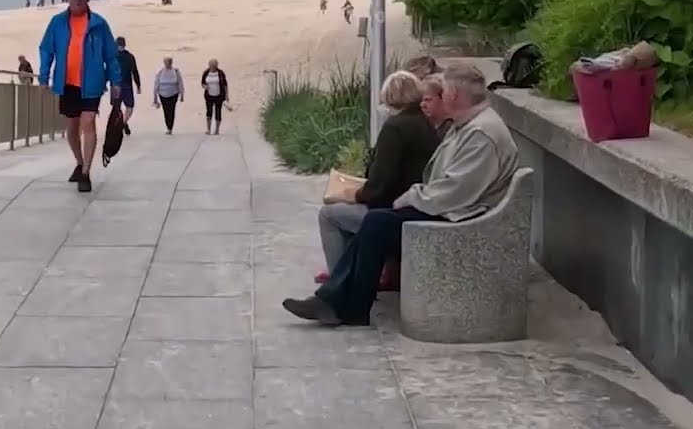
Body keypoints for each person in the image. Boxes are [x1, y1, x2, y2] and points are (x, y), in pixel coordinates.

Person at [283, 61, 519, 328]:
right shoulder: (470, 125)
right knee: (377, 221)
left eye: (442, 92)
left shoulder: (481, 133)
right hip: (459, 209)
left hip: (465, 218)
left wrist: (411, 196)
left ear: (452, 94)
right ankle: (337, 300)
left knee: (376, 222)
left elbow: (454, 191)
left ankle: (348, 307)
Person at [316, 70, 439, 277]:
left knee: (329, 215)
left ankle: (339, 279)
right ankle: (358, 271)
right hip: (415, 202)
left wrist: (354, 194)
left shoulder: (395, 127)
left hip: (393, 207)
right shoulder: (424, 122)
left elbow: (381, 181)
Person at [38, 0, 121, 192]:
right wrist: (44, 76)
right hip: (67, 84)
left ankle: (86, 173)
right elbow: (46, 49)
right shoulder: (57, 22)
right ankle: (79, 162)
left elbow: (111, 56)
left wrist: (116, 82)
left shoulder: (99, 24)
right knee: (72, 128)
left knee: (89, 122)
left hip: (92, 84)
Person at [114, 37, 142, 132]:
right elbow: (134, 71)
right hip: (127, 85)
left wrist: (103, 84)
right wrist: (138, 85)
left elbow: (108, 71)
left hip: (115, 86)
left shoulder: (112, 56)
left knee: (116, 107)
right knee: (129, 107)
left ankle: (118, 124)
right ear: (124, 45)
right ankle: (124, 122)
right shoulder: (130, 56)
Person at [153, 58, 184, 132]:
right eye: (166, 62)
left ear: (171, 63)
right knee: (166, 110)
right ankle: (168, 126)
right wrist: (155, 96)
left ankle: (170, 127)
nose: (167, 64)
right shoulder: (160, 72)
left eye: (169, 62)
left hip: (173, 93)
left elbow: (180, 83)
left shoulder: (176, 71)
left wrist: (182, 94)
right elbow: (156, 84)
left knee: (171, 110)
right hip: (162, 94)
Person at [201, 60, 229, 134]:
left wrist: (226, 95)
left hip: (219, 95)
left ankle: (217, 130)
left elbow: (225, 85)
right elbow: (202, 83)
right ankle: (208, 129)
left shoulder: (220, 73)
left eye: (215, 66)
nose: (213, 67)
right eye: (212, 66)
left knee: (218, 112)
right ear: (209, 65)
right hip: (209, 95)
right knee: (209, 112)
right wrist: (205, 86)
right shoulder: (206, 73)